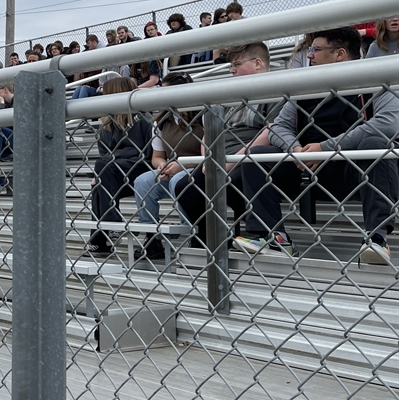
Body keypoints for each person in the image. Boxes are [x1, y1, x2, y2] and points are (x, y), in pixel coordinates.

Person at [236, 27, 398, 264]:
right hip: (306, 168)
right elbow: (279, 126)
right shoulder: (306, 86)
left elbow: (388, 123)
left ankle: (377, 239)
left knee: (377, 143)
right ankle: (273, 238)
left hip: (353, 168)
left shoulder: (373, 80)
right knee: (259, 155)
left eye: (315, 49)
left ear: (340, 54)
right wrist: (296, 151)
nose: (308, 55)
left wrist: (327, 148)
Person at [174, 43, 280, 245]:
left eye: (237, 64)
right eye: (231, 65)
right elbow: (210, 134)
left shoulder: (274, 90)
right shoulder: (232, 95)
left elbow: (272, 131)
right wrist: (209, 158)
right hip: (221, 157)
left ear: (257, 63)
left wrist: (231, 162)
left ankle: (258, 235)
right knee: (185, 188)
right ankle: (210, 240)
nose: (231, 70)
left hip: (251, 159)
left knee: (242, 177)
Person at [132, 73, 203, 259]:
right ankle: (151, 236)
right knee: (142, 181)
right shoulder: (162, 121)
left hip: (197, 167)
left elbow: (209, 153)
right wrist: (162, 165)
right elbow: (157, 156)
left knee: (178, 180)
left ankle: (191, 229)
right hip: (173, 167)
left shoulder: (201, 115)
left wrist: (179, 165)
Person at [85, 77, 153, 254]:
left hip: (138, 169)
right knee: (99, 182)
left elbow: (146, 154)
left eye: (106, 93)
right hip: (112, 172)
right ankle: (105, 233)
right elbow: (104, 154)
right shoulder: (106, 125)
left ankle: (105, 232)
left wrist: (112, 160)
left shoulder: (144, 119)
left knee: (103, 169)